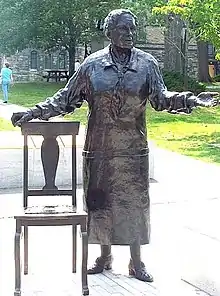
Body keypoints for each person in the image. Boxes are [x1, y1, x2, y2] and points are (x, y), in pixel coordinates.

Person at [11, 9, 217, 282]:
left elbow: (161, 98)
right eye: (122, 29)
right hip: (100, 149)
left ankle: (136, 261)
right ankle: (104, 256)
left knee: (135, 206)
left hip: (133, 150)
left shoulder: (147, 64)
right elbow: (65, 98)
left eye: (132, 29)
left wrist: (190, 100)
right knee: (100, 205)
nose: (129, 34)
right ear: (109, 33)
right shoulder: (91, 65)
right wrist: (33, 112)